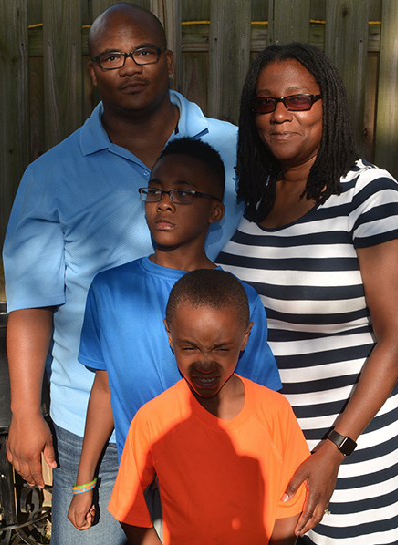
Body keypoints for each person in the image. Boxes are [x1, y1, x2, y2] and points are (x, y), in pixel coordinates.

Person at [2, 5, 242, 544]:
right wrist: (24, 412)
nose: (129, 67)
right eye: (111, 57)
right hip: (95, 424)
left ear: (169, 60)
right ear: (93, 72)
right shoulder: (52, 175)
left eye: (143, 52)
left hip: (212, 410)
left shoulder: (233, 150)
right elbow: (31, 301)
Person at [217, 42, 398, 545]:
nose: (280, 114)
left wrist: (334, 450)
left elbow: (397, 339)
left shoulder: (368, 195)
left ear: (327, 104)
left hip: (348, 445)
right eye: (265, 103)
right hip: (260, 443)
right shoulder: (253, 198)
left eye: (298, 99)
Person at [67, 138, 282, 530]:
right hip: (136, 476)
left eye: (183, 193)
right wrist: (84, 482)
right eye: (155, 190)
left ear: (215, 211)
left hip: (213, 482)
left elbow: (261, 402)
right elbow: (104, 386)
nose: (164, 203)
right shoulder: (109, 289)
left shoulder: (239, 301)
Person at [108, 269, 310, 545]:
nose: (204, 363)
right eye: (189, 348)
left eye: (221, 349)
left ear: (246, 335)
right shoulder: (153, 420)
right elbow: (129, 508)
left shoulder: (276, 411)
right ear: (169, 334)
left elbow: (290, 501)